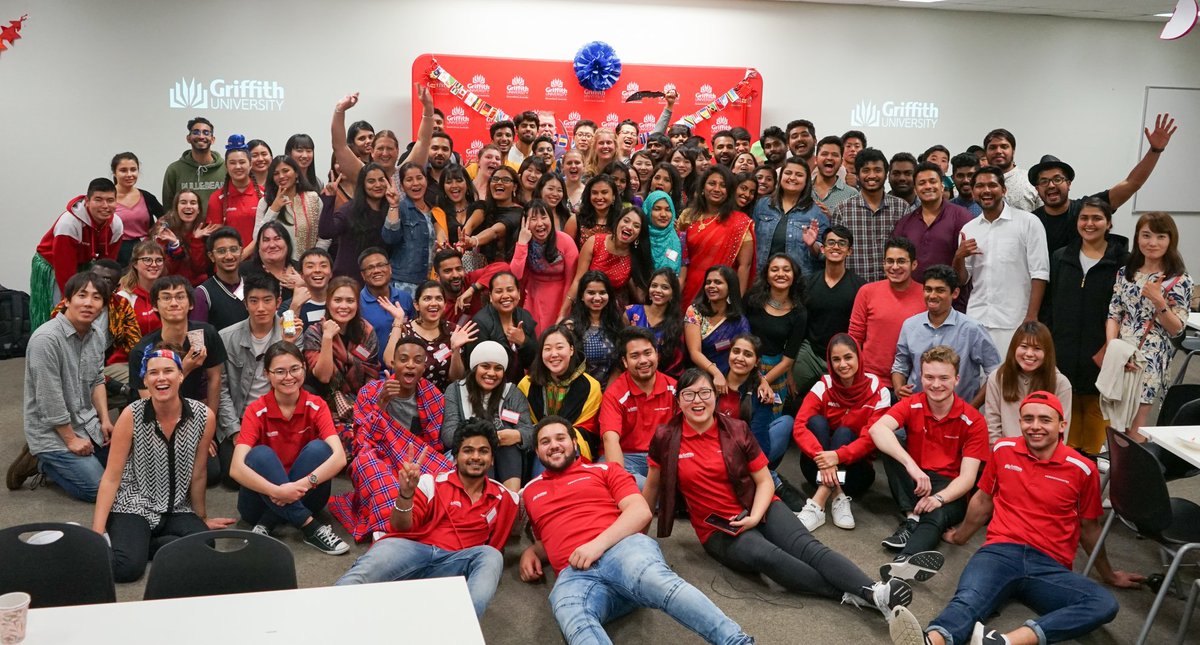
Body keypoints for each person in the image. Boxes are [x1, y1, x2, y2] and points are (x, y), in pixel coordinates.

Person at [644, 369, 913, 621]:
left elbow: (764, 481)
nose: (697, 401)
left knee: (808, 548)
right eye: (688, 394)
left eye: (705, 393)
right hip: (718, 528)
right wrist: (638, 536)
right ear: (678, 401)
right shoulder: (666, 437)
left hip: (759, 504)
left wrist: (756, 516)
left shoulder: (736, 429)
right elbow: (652, 487)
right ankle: (852, 594)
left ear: (716, 395)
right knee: (770, 556)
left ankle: (874, 590)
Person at [889, 391, 1142, 645]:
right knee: (968, 599)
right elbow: (983, 500)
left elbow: (1089, 528)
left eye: (1045, 419)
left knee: (1104, 604)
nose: (1035, 426)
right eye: (1028, 419)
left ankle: (1003, 642)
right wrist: (960, 536)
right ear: (1020, 422)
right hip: (1000, 553)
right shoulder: (1003, 450)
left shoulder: (1082, 469)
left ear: (1061, 425)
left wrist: (1109, 574)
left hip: (1049, 566)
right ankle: (932, 641)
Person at [519, 415, 755, 645]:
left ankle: (737, 641)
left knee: (656, 580)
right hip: (575, 574)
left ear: (574, 442)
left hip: (622, 550)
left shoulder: (605, 470)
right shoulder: (530, 492)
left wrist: (596, 546)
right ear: (538, 452)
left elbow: (640, 512)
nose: (554, 445)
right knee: (570, 614)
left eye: (560, 438)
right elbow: (551, 537)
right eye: (545, 442)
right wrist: (532, 552)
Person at [334, 418, 518, 617]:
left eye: (483, 451)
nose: (476, 456)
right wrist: (406, 494)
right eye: (467, 450)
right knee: (371, 565)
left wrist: (533, 552)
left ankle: (463, 628)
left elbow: (535, 510)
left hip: (455, 563)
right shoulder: (432, 482)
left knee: (492, 556)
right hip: (413, 552)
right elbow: (400, 527)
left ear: (492, 459)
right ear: (455, 457)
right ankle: (326, 618)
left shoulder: (504, 497)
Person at [91, 347, 234, 582]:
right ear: (145, 380)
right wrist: (97, 532)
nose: (161, 378)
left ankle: (148, 543)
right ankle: (134, 543)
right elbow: (111, 477)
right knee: (125, 569)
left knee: (205, 546)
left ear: (180, 375)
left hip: (177, 506)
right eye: (153, 373)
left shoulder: (203, 416)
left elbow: (199, 473)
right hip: (134, 503)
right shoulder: (131, 415)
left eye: (168, 371)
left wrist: (202, 517)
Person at [868, 346, 985, 581]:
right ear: (921, 377)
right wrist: (911, 466)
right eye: (929, 377)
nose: (936, 384)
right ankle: (912, 517)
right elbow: (877, 429)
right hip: (917, 479)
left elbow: (968, 478)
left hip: (949, 488)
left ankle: (905, 561)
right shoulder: (913, 404)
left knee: (936, 515)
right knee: (890, 448)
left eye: (944, 378)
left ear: (956, 379)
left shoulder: (973, 420)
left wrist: (938, 498)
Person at [329, 335, 452, 542]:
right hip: (378, 456)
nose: (410, 365)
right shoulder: (370, 391)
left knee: (448, 476)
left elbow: (432, 447)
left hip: (414, 459)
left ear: (424, 366)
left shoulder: (434, 396)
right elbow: (362, 440)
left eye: (417, 360)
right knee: (366, 464)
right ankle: (386, 529)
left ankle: (422, 522)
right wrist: (382, 403)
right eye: (404, 359)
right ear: (393, 363)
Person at [230, 341, 349, 555]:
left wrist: (297, 487)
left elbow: (339, 458)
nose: (289, 377)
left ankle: (269, 522)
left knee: (320, 449)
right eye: (280, 371)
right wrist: (277, 491)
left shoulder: (317, 405)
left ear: (304, 367)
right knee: (259, 455)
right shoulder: (256, 410)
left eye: (295, 369)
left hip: (306, 494)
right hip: (258, 502)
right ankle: (310, 527)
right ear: (267, 374)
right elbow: (236, 468)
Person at [16, 273, 115, 500]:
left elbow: (98, 379)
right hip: (52, 431)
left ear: (103, 306)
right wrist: (71, 440)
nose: (89, 303)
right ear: (67, 300)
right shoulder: (46, 339)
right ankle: (40, 462)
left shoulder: (97, 334)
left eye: (97, 298)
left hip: (87, 423)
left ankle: (64, 460)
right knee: (100, 490)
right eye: (82, 295)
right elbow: (49, 399)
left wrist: (105, 420)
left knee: (125, 471)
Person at [1047, 198, 1129, 455]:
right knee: (1065, 422)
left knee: (1095, 421)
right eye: (1084, 218)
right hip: (1064, 352)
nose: (1089, 224)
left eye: (1097, 218)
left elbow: (1127, 310)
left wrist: (1114, 348)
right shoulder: (1061, 257)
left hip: (1101, 354)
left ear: (1109, 223)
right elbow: (1050, 305)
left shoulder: (1123, 262)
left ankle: (1091, 467)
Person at [1030, 113, 1176, 255]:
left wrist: (1155, 150)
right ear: (1037, 189)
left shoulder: (1088, 209)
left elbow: (1132, 184)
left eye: (1057, 179)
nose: (1051, 185)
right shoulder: (1031, 221)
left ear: (1068, 184)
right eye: (1044, 181)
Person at [1105, 211, 1192, 435]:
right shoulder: (1126, 273)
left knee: (1137, 428)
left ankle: (1135, 469)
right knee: (1115, 423)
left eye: (1161, 236)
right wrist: (1113, 349)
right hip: (1122, 351)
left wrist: (1159, 302)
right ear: (1137, 238)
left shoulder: (1179, 279)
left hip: (1150, 357)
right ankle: (1118, 469)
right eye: (1146, 235)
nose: (1152, 243)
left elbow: (1177, 329)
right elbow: (1114, 313)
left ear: (1171, 240)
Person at [794, 334, 890, 531]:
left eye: (848, 357)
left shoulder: (879, 391)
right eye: (836, 359)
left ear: (859, 358)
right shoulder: (823, 385)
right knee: (817, 422)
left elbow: (870, 440)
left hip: (856, 473)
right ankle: (837, 495)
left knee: (844, 433)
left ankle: (818, 502)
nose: (842, 364)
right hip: (816, 468)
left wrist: (837, 456)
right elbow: (800, 426)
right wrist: (824, 459)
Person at [215, 272, 301, 470]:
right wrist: (235, 431)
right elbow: (222, 389)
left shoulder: (293, 333)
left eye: (267, 300)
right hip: (241, 417)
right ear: (245, 304)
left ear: (278, 302)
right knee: (233, 474)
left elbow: (295, 382)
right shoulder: (226, 337)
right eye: (253, 301)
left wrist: (287, 345)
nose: (260, 308)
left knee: (280, 465)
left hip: (277, 415)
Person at [960, 166, 1050, 354]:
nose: (986, 190)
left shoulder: (1028, 222)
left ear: (1004, 189)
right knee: (982, 380)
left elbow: (1040, 273)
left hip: (1015, 320)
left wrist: (1031, 317)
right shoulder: (968, 229)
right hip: (978, 318)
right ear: (974, 191)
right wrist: (958, 257)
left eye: (992, 185)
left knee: (1012, 379)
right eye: (979, 186)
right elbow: (962, 279)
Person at [717, 335, 806, 510]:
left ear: (756, 361)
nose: (740, 358)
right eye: (736, 351)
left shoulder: (761, 393)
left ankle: (761, 477)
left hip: (745, 453)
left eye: (748, 354)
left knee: (787, 422)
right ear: (729, 353)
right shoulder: (712, 382)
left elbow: (760, 444)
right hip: (715, 452)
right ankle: (772, 480)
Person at [128, 276, 226, 433]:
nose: (174, 303)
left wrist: (208, 426)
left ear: (191, 304)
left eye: (180, 297)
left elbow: (214, 378)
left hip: (196, 414)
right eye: (166, 298)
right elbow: (151, 404)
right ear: (154, 306)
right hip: (152, 424)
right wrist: (184, 369)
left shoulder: (206, 334)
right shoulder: (142, 351)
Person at [892, 265, 1001, 406]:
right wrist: (899, 388)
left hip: (959, 415)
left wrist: (971, 409)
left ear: (955, 293)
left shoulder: (972, 329)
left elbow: (995, 373)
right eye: (928, 289)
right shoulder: (910, 325)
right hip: (916, 412)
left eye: (940, 290)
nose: (932, 295)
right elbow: (900, 366)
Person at [31, 178, 125, 330]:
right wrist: (69, 298)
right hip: (53, 264)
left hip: (85, 262)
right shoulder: (68, 224)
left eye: (110, 200)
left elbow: (107, 264)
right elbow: (64, 269)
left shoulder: (116, 225)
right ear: (87, 201)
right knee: (63, 308)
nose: (105, 206)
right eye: (98, 200)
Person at [443, 340, 533, 492]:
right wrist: (484, 436)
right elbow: (448, 434)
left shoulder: (512, 392)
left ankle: (512, 500)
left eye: (498, 368)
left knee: (508, 445)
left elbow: (529, 431)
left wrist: (517, 435)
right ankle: (483, 500)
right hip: (467, 455)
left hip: (507, 455)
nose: (491, 373)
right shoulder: (456, 390)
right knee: (483, 447)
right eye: (485, 366)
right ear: (474, 368)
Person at [302, 276, 380, 442]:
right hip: (326, 402)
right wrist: (328, 338)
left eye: (350, 300)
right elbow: (323, 376)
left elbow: (371, 372)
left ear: (357, 304)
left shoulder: (366, 332)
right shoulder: (315, 333)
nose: (344, 306)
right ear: (328, 302)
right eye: (337, 300)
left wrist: (363, 407)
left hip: (361, 399)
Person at [600, 327, 678, 487]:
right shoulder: (614, 394)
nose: (643, 361)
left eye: (648, 353)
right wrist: (620, 482)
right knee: (624, 481)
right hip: (628, 458)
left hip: (664, 457)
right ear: (624, 362)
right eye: (635, 356)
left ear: (657, 354)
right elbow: (610, 440)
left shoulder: (675, 388)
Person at [519, 324, 603, 465]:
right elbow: (524, 424)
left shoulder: (591, 386)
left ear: (571, 350)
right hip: (537, 447)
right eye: (547, 349)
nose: (554, 354)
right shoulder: (527, 384)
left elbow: (589, 427)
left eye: (559, 347)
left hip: (575, 448)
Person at [848, 237, 926, 383]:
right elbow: (854, 338)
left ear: (914, 264)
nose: (895, 267)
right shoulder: (867, 292)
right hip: (870, 380)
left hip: (913, 382)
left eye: (901, 261)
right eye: (890, 261)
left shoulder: (926, 295)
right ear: (883, 263)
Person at [799, 225, 866, 393]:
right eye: (831, 242)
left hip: (845, 358)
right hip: (810, 355)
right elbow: (799, 324)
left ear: (849, 251)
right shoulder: (808, 283)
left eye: (841, 243)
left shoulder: (861, 287)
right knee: (797, 399)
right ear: (822, 248)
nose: (836, 247)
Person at [985, 321, 1073, 445]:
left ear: (1047, 352)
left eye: (1037, 348)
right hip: (1006, 453)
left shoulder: (1061, 383)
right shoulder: (997, 377)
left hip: (1044, 455)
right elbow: (993, 425)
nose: (1029, 354)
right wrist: (1000, 453)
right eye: (1024, 346)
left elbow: (1061, 432)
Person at [832, 148, 911, 283]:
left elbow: (908, 250)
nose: (872, 175)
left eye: (877, 170)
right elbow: (836, 253)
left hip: (892, 287)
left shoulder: (902, 208)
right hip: (854, 288)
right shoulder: (842, 210)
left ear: (886, 174)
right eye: (866, 170)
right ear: (857, 175)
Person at [680, 166, 755, 306]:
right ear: (702, 187)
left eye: (723, 185)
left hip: (721, 291)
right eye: (712, 183)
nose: (717, 189)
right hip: (688, 287)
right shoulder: (688, 217)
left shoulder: (739, 222)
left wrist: (736, 302)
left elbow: (744, 266)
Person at [744, 253, 807, 412]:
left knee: (768, 420)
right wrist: (757, 377)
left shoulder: (799, 313)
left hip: (776, 370)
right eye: (774, 270)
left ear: (794, 276)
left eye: (786, 270)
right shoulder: (752, 300)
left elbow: (788, 360)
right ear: (766, 275)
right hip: (743, 364)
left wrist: (764, 381)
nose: (780, 274)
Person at [389, 280, 475, 391]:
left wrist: (455, 350)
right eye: (427, 298)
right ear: (416, 305)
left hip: (443, 399)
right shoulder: (404, 330)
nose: (433, 303)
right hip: (408, 396)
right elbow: (389, 361)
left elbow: (456, 379)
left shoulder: (453, 331)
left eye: (439, 298)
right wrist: (398, 321)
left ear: (444, 305)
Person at [563, 207, 652, 314]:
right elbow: (578, 280)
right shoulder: (594, 242)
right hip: (588, 305)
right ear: (618, 222)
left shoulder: (635, 256)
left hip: (615, 312)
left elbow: (640, 293)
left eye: (636, 226)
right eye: (626, 221)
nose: (629, 227)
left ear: (639, 234)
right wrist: (563, 313)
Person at [751, 156, 826, 277]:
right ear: (781, 177)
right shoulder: (762, 205)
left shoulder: (816, 212)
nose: (792, 178)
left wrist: (812, 245)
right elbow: (751, 243)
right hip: (762, 279)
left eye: (799, 175)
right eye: (788, 173)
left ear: (807, 181)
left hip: (799, 282)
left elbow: (823, 255)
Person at [511, 200, 579, 333]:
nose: (540, 223)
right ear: (525, 223)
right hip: (532, 295)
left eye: (544, 217)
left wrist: (563, 312)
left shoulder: (565, 241)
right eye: (533, 219)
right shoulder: (524, 240)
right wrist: (522, 243)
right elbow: (516, 275)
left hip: (562, 297)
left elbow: (571, 280)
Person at [685, 265, 750, 394]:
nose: (711, 286)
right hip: (699, 377)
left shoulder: (739, 321)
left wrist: (763, 380)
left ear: (730, 287)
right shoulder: (695, 312)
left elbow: (749, 352)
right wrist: (716, 374)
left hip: (731, 379)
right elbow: (694, 352)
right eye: (708, 282)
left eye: (718, 282)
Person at [319, 163, 389, 278]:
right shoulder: (350, 210)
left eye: (381, 180)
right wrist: (330, 198)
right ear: (363, 185)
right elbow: (326, 232)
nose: (378, 185)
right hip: (348, 278)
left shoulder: (391, 210)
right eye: (371, 181)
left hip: (378, 277)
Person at [466, 272, 537, 384]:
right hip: (488, 387)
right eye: (499, 291)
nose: (505, 296)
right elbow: (474, 367)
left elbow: (534, 361)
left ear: (518, 293)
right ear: (490, 296)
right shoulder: (480, 323)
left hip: (516, 387)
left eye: (510, 290)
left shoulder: (525, 317)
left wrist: (524, 342)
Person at [254, 155, 326, 261]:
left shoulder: (313, 198)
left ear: (296, 173)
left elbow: (325, 236)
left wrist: (313, 259)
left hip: (308, 267)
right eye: (276, 173)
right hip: (275, 266)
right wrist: (274, 209)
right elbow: (257, 238)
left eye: (285, 171)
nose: (281, 176)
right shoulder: (265, 202)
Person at [355, 247, 415, 364]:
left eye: (381, 265)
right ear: (363, 275)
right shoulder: (356, 303)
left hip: (404, 369)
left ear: (390, 269)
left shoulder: (405, 298)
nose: (377, 270)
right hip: (371, 372)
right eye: (370, 267)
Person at [564, 271, 625, 385]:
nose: (597, 298)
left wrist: (608, 397)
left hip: (610, 392)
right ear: (582, 296)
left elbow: (619, 365)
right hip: (579, 390)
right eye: (591, 293)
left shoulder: (617, 324)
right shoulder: (570, 327)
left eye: (602, 292)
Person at [625, 267, 686, 377]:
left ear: (672, 294)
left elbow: (675, 365)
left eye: (665, 287)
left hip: (662, 380)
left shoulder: (676, 326)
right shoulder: (630, 313)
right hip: (630, 376)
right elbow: (619, 349)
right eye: (654, 286)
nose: (658, 290)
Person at [110, 152, 166, 265]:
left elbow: (166, 216)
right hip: (116, 254)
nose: (129, 174)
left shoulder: (147, 197)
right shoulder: (107, 198)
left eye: (133, 169)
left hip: (144, 253)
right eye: (123, 170)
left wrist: (157, 231)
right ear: (114, 173)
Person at [206, 140, 261, 250]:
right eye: (232, 163)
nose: (237, 166)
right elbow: (215, 238)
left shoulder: (264, 195)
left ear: (250, 164)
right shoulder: (217, 198)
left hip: (259, 262)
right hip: (228, 261)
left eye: (242, 162)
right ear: (226, 166)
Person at [192, 227, 249, 331]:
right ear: (211, 256)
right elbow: (197, 336)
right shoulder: (202, 294)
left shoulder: (252, 285)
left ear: (241, 251)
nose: (229, 256)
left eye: (234, 249)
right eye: (221, 251)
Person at [156, 189, 217, 287]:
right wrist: (175, 246)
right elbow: (166, 269)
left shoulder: (205, 229)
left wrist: (196, 240)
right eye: (183, 202)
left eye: (193, 203)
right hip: (170, 285)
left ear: (199, 209)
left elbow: (200, 268)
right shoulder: (165, 229)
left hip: (198, 286)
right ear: (176, 207)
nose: (188, 206)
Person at [162, 116, 226, 207]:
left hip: (218, 221)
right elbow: (168, 207)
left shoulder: (226, 168)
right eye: (196, 132)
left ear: (212, 139)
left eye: (206, 133)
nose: (201, 136)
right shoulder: (174, 170)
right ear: (188, 138)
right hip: (185, 222)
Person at [241, 221, 302, 304]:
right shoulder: (244, 271)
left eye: (277, 239)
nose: (272, 245)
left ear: (287, 243)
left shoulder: (301, 269)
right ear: (258, 245)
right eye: (266, 240)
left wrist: (304, 286)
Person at [982, 128, 1040, 212]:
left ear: (1013, 151)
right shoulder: (977, 183)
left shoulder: (1030, 180)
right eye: (993, 147)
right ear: (985, 152)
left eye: (1004, 147)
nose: (998, 151)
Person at [812, 136, 859, 212]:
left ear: (841, 162)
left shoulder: (852, 195)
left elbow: (853, 223)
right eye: (824, 154)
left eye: (835, 155)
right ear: (816, 159)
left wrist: (831, 220)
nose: (829, 158)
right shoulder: (803, 190)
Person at [947, 152, 982, 218]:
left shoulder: (991, 207)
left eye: (970, 175)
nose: (965, 180)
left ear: (979, 177)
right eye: (960, 176)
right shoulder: (945, 210)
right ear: (953, 178)